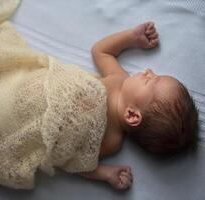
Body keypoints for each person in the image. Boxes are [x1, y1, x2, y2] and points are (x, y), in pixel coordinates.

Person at [78, 22, 200, 190]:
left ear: (133, 115)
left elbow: (74, 161)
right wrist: (131, 37)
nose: (148, 70)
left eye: (149, 80)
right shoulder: (119, 78)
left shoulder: (111, 140)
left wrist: (106, 174)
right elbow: (100, 51)